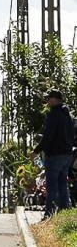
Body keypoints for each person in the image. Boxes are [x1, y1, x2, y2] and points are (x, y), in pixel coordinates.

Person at [40, 88, 75, 217]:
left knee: (52, 186)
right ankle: (65, 212)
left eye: (49, 98)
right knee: (62, 184)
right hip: (67, 155)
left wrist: (36, 151)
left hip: (54, 155)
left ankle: (49, 213)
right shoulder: (68, 116)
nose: (47, 101)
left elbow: (47, 136)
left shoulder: (53, 114)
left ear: (55, 99)